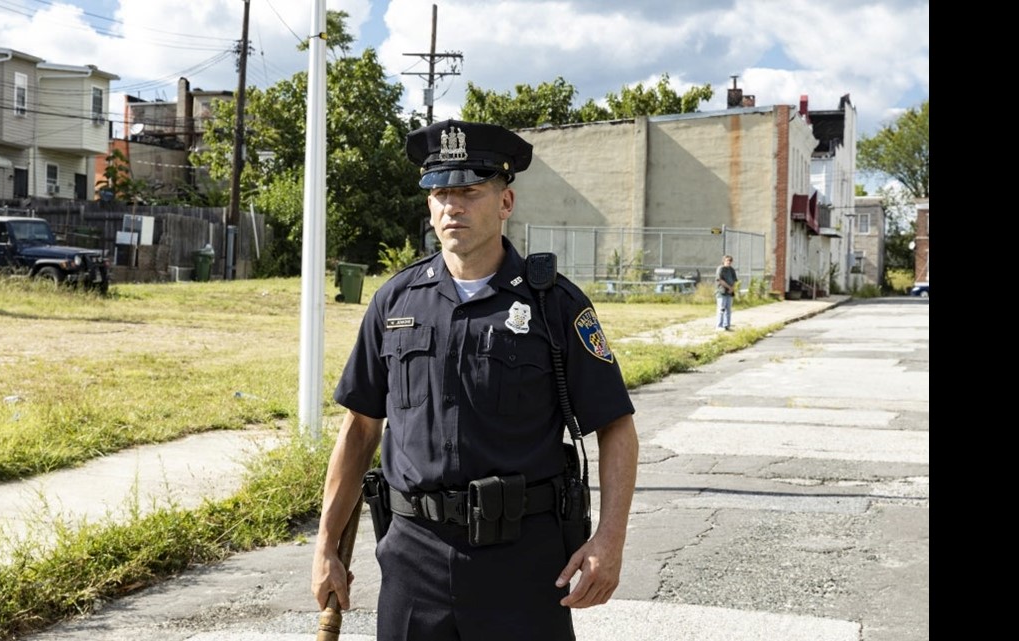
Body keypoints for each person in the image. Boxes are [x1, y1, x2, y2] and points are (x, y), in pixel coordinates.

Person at [312, 119, 639, 641]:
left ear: (505, 202)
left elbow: (616, 427)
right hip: (412, 556)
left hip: (523, 562)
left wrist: (610, 540)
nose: (452, 206)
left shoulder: (554, 304)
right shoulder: (395, 302)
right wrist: (326, 545)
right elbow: (359, 429)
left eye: (468, 191)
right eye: (440, 193)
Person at [715, 254, 737, 330]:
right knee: (722, 309)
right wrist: (728, 287)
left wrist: (732, 288)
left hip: (730, 293)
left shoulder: (732, 270)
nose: (729, 262)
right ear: (724, 261)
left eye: (730, 260)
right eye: (727, 260)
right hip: (722, 292)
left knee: (728, 309)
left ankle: (727, 325)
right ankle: (719, 325)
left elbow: (734, 280)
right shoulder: (721, 269)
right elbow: (720, 280)